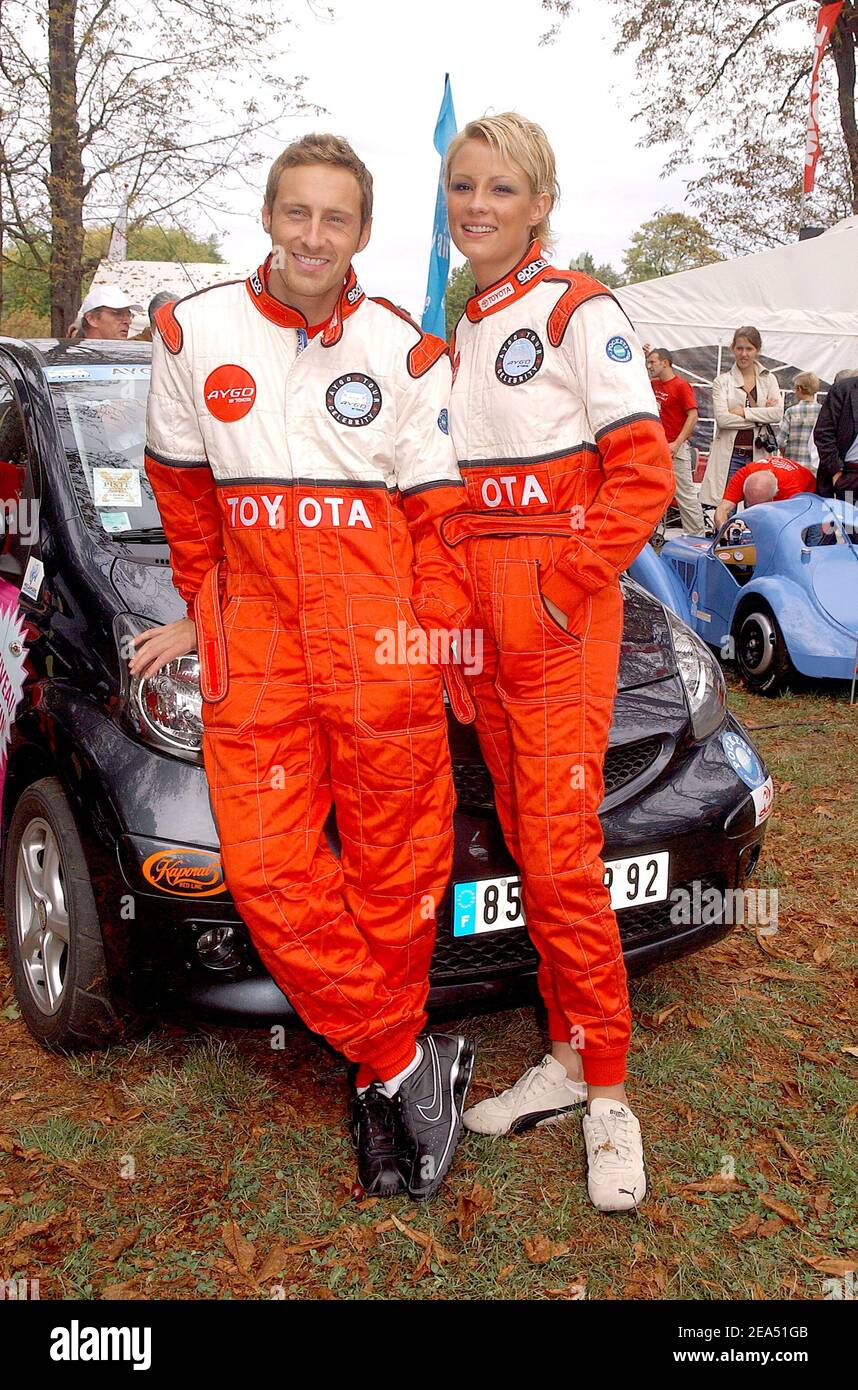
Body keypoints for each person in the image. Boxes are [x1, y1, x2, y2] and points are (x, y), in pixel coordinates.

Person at [135, 133, 477, 1201]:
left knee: (398, 880)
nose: (314, 236)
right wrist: (205, 612)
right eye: (297, 213)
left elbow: (439, 527)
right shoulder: (192, 331)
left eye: (336, 218)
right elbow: (187, 502)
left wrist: (434, 643)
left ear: (362, 232)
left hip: (383, 657)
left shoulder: (409, 351)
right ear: (270, 217)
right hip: (264, 653)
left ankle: (384, 1092)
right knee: (275, 879)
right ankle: (407, 1059)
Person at [442, 112, 674, 1212]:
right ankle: (567, 1052)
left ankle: (612, 1092)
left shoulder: (581, 308)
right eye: (462, 186)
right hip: (484, 634)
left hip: (558, 627)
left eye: (501, 188)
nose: (477, 205)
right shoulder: (466, 326)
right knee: (536, 846)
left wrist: (549, 594)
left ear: (539, 203)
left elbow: (642, 478)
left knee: (565, 852)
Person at [699, 327, 783, 513]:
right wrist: (761, 415)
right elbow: (722, 419)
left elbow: (777, 414)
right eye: (740, 348)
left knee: (758, 511)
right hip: (730, 457)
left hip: (759, 456)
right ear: (733, 349)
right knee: (725, 511)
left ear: (757, 350)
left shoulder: (769, 379)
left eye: (749, 349)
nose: (744, 354)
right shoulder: (722, 381)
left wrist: (743, 412)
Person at [645, 346, 706, 534]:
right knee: (650, 492)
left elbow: (693, 415)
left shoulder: (681, 385)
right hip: (656, 447)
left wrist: (677, 443)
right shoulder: (653, 385)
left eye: (652, 362)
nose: (649, 366)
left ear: (665, 363)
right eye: (648, 363)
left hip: (675, 447)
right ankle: (646, 535)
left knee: (685, 494)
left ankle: (697, 537)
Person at [713, 454, 816, 530]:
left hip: (811, 495)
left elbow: (794, 526)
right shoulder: (742, 475)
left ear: (774, 496)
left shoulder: (791, 490)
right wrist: (724, 528)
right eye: (751, 505)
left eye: (759, 505)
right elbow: (722, 509)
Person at [814, 367, 858, 503]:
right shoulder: (844, 389)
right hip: (848, 476)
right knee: (846, 522)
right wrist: (836, 472)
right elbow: (823, 432)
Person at [776, 372, 821, 473]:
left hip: (793, 466)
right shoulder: (823, 412)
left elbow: (780, 441)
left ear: (800, 389)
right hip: (816, 467)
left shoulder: (791, 411)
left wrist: (785, 453)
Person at [71, 285, 143, 340]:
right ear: (92, 319)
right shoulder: (71, 356)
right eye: (118, 314)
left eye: (129, 315)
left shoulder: (128, 355)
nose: (128, 321)